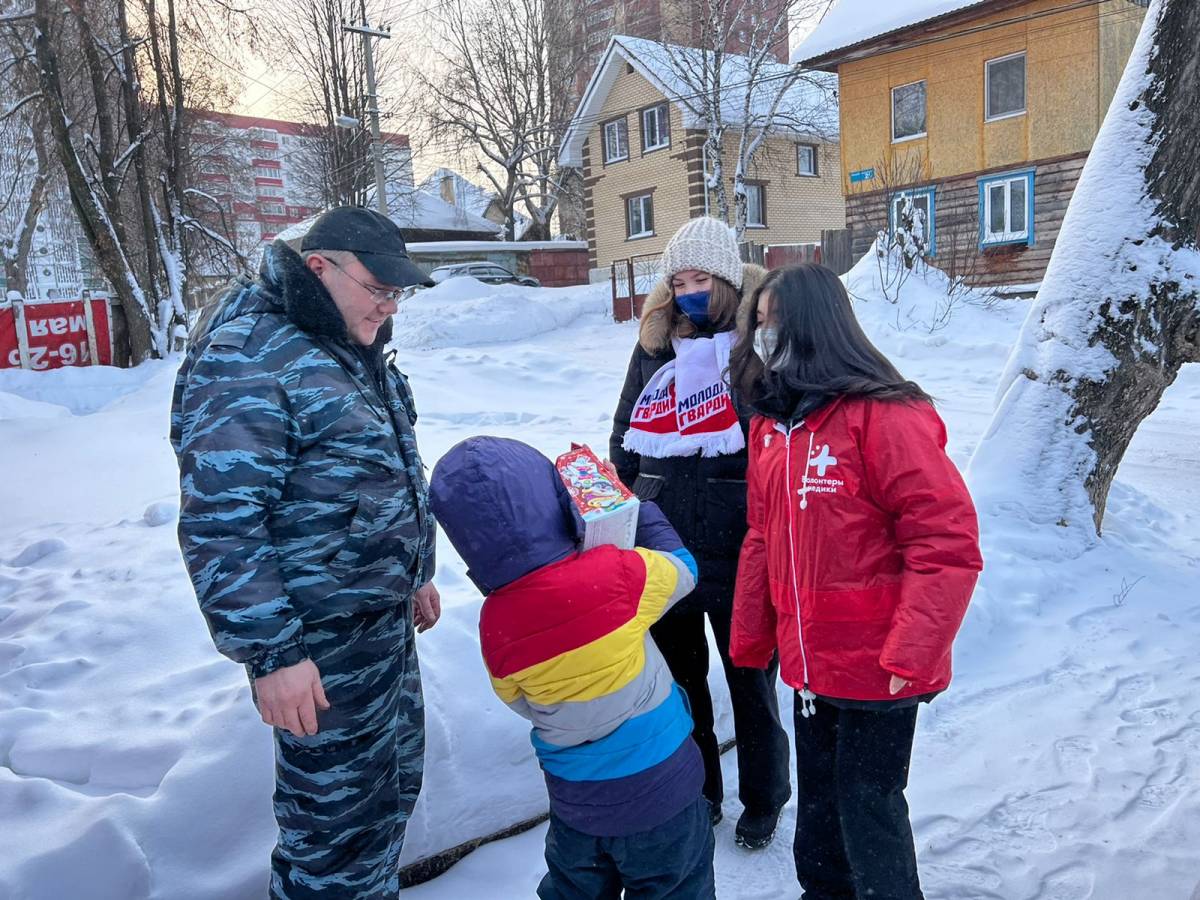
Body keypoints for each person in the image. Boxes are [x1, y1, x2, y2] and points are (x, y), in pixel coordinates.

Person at [171, 206, 440, 899]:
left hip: (379, 630)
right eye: (377, 288)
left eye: (397, 292)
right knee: (333, 834)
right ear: (318, 267)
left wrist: (415, 573)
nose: (389, 305)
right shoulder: (251, 353)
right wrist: (274, 655)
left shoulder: (345, 342)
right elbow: (224, 521)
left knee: (384, 802)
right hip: (314, 648)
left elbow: (380, 470)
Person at [727, 263, 983, 900]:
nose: (761, 337)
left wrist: (913, 653)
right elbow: (762, 537)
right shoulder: (769, 426)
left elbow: (945, 541)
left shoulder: (883, 416)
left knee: (867, 810)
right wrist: (753, 637)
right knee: (817, 815)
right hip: (810, 662)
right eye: (755, 324)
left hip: (879, 664)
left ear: (814, 325)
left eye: (772, 322)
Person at [429, 437, 715, 900]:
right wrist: (634, 506)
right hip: (664, 794)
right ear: (553, 498)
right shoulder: (616, 573)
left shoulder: (496, 621)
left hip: (576, 806)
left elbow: (516, 696)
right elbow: (682, 569)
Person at [610, 216, 791, 849]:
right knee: (681, 681)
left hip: (741, 543)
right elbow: (624, 437)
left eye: (699, 280)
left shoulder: (760, 342)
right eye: (677, 280)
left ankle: (765, 797)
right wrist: (639, 504)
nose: (687, 291)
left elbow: (779, 430)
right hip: (666, 543)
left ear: (725, 279)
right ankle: (702, 789)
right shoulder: (656, 345)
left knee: (751, 679)